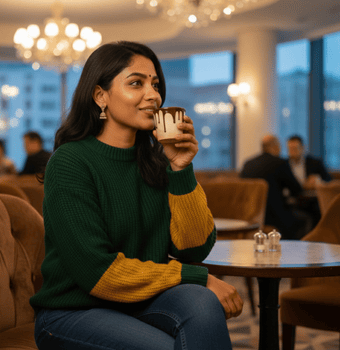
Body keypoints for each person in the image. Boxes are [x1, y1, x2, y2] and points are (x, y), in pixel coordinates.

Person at [30, 41, 243, 350]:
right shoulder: (71, 162)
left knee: (201, 303)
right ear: (100, 96)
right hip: (72, 311)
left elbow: (194, 248)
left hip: (140, 300)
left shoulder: (157, 161)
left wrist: (181, 168)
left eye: (155, 84)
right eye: (136, 83)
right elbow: (98, 271)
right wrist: (200, 277)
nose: (153, 94)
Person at [240, 134, 309, 240]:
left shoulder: (248, 164)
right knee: (306, 219)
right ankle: (297, 249)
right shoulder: (280, 163)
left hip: (250, 216)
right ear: (275, 146)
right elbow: (297, 189)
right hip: (275, 218)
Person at [286, 135, 332, 228]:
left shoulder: (314, 162)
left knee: (318, 210)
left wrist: (317, 180)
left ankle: (316, 238)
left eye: (295, 148)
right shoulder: (284, 164)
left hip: (312, 199)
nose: (292, 152)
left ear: (302, 148)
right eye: (290, 149)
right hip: (293, 199)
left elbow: (328, 180)